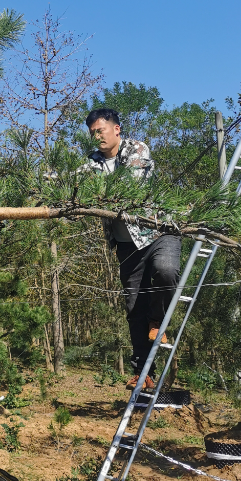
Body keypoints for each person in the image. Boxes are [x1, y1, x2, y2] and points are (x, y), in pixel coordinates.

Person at [83, 107, 181, 390]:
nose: (97, 137)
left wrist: (93, 192)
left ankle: (157, 321)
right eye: (92, 134)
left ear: (117, 129)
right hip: (127, 246)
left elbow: (128, 188)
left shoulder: (136, 149)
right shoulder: (93, 161)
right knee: (133, 306)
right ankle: (144, 371)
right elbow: (74, 180)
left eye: (100, 130)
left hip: (159, 232)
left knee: (165, 271)